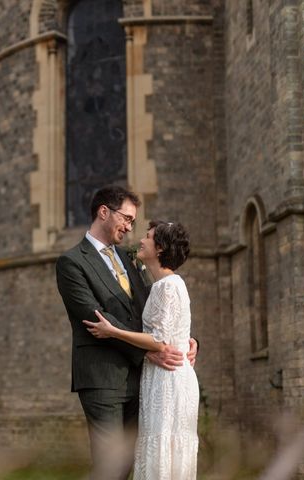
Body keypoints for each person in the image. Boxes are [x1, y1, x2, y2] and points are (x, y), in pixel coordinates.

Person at [55, 185, 197, 480]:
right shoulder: (72, 262)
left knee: (135, 464)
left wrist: (186, 340)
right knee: (110, 466)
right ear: (103, 212)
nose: (131, 227)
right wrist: (149, 349)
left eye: (133, 222)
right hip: (102, 378)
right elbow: (93, 316)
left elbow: (158, 310)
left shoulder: (132, 258)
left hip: (143, 380)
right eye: (127, 218)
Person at [84, 221, 199, 479]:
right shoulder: (165, 284)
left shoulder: (167, 286)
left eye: (147, 237)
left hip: (168, 381)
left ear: (159, 248)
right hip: (162, 377)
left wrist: (113, 331)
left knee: (163, 452)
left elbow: (158, 340)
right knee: (162, 453)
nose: (141, 240)